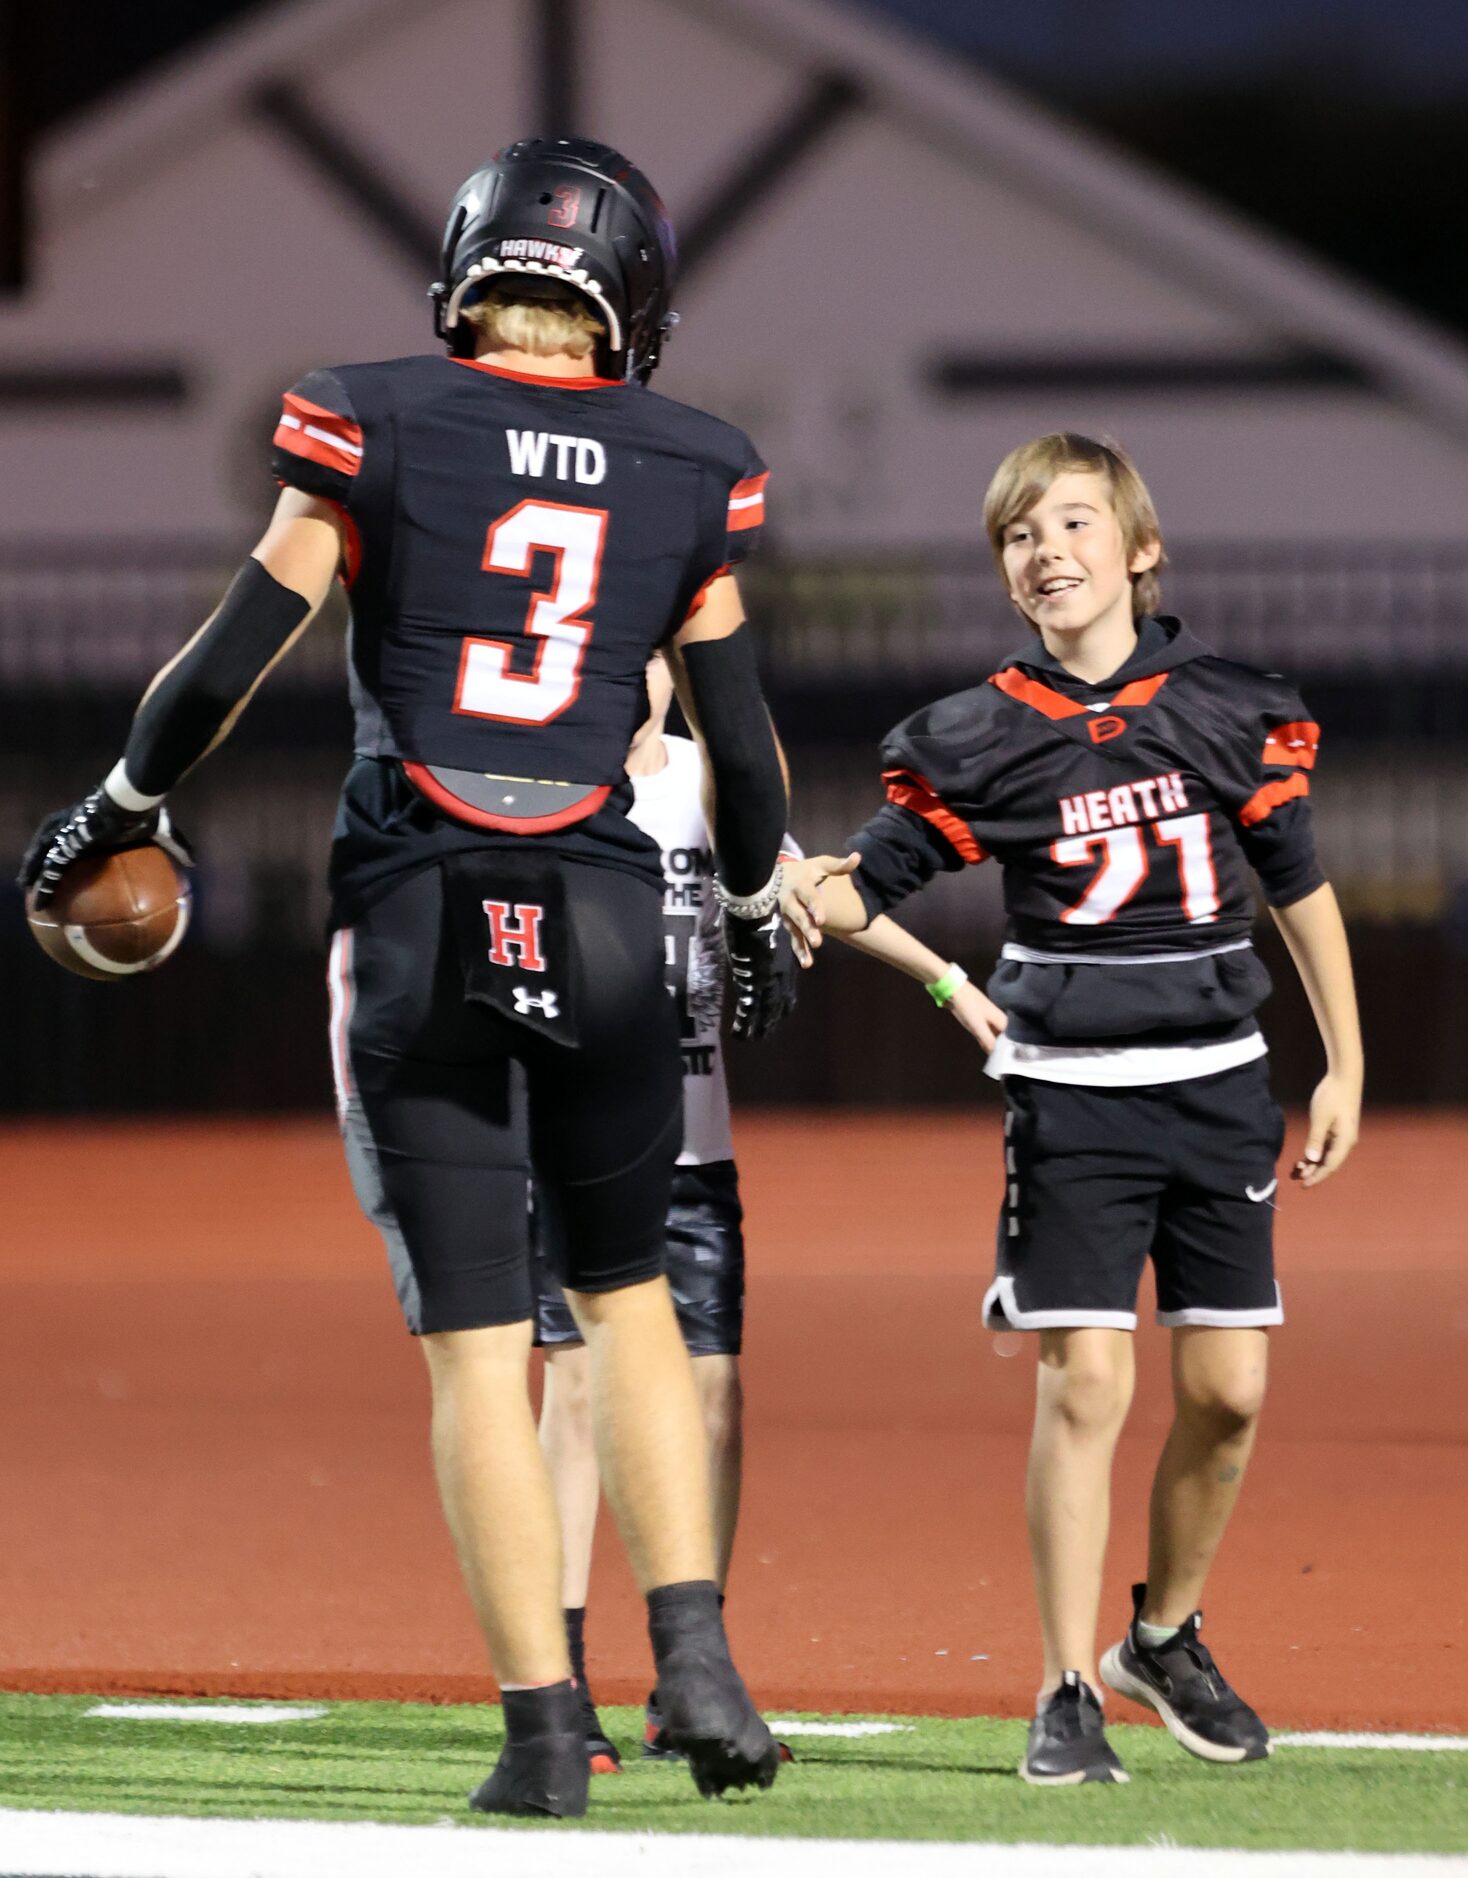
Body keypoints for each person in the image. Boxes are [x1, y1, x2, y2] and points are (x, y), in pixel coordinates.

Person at [21, 138, 797, 1819]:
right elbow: (735, 739)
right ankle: (699, 1650)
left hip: (420, 896)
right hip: (601, 905)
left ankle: (539, 1738)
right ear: (635, 299)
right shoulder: (691, 465)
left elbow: (234, 651)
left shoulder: (368, 414)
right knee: (630, 1295)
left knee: (473, 1350)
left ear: (467, 258)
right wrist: (741, 909)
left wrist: (114, 807)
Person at [780, 433, 1362, 1786]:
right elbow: (870, 883)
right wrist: (818, 896)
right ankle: (1059, 1684)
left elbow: (1299, 884)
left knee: (1228, 1389)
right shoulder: (979, 734)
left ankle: (1160, 1634)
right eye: (1020, 535)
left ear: (1139, 547)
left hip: (1218, 1080)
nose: (1048, 551)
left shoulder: (1226, 705)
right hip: (1073, 1094)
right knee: (1088, 1376)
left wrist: (1346, 1059)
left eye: (1075, 523)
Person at [535, 656, 1003, 1772]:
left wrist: (948, 982)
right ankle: (554, 1686)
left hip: (694, 1149)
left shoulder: (709, 779)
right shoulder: (543, 789)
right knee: (575, 1388)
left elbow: (808, 892)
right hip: (565, 1141)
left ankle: (689, 1674)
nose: (633, 676)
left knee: (713, 1402)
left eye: (651, 656)